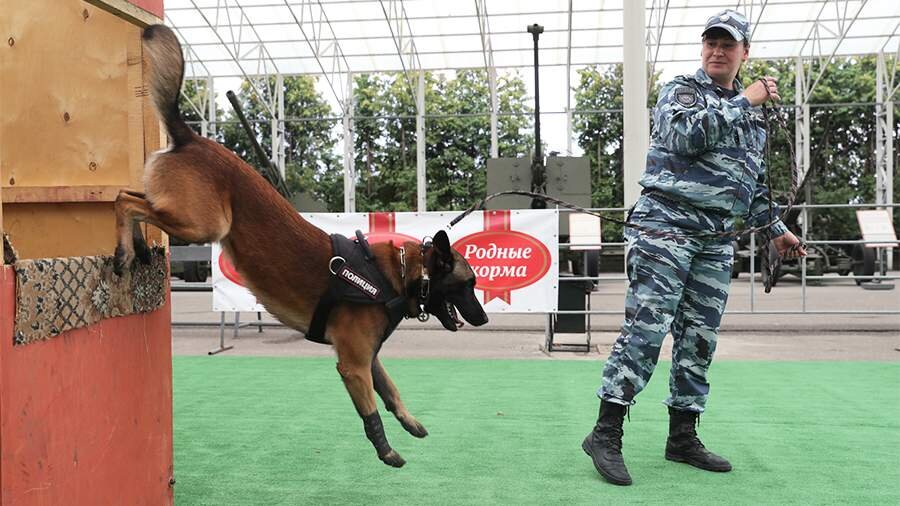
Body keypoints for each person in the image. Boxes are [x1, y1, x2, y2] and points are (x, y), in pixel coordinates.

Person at [582, 9, 807, 486]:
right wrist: (746, 99)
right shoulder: (681, 91)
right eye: (711, 43)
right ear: (702, 48)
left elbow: (750, 183)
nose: (717, 51)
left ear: (744, 53)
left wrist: (775, 229)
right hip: (665, 228)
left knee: (699, 338)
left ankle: (682, 436)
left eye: (728, 45)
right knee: (646, 330)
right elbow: (685, 137)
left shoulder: (753, 118)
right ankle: (605, 432)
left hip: (715, 238)